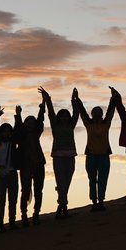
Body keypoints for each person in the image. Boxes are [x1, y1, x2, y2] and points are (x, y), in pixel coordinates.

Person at [74, 89, 117, 212]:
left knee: (103, 179)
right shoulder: (88, 124)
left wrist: (113, 98)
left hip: (104, 155)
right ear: (92, 114)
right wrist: (77, 99)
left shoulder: (106, 123)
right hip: (91, 155)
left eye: (99, 112)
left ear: (102, 114)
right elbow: (82, 112)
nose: (97, 114)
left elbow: (111, 111)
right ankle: (94, 202)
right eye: (95, 112)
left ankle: (101, 201)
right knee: (92, 180)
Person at [41, 87, 79, 218]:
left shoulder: (71, 125)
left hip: (70, 156)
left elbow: (76, 113)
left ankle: (61, 205)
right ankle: (64, 207)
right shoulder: (55, 125)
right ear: (59, 117)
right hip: (58, 156)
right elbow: (50, 112)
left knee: (66, 182)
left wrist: (74, 99)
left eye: (66, 116)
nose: (64, 117)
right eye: (62, 116)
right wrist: (48, 99)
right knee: (61, 182)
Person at [14, 100, 47, 226]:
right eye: (27, 122)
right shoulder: (21, 136)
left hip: (38, 164)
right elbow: (18, 129)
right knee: (25, 190)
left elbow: (40, 120)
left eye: (32, 123)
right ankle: (24, 215)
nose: (30, 124)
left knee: (38, 190)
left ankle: (36, 214)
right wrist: (18, 115)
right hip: (25, 166)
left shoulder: (36, 133)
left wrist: (42, 107)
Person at [0, 105, 19, 232]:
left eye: (9, 131)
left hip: (12, 171)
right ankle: (0, 223)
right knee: (1, 199)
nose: (6, 133)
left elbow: (18, 129)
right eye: (4, 131)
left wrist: (18, 115)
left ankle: (12, 221)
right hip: (0, 172)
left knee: (13, 198)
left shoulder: (14, 142)